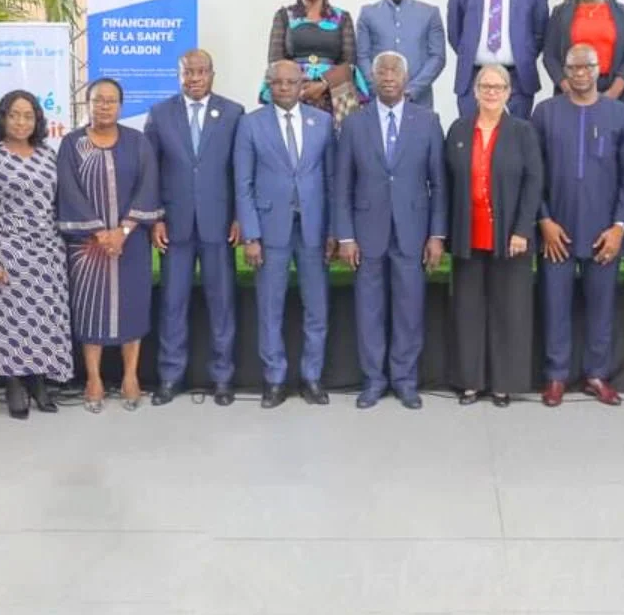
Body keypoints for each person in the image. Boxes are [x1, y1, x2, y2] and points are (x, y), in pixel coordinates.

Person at [334, 51, 447, 410]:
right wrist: (346, 236)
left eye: (395, 70)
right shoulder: (354, 123)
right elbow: (342, 186)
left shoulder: (428, 121)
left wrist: (437, 235)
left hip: (413, 230)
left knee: (409, 308)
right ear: (372, 77)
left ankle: (405, 380)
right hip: (367, 233)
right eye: (381, 71)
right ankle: (373, 380)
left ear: (406, 77)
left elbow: (439, 184)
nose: (387, 76)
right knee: (369, 310)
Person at [531, 44, 624, 408]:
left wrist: (619, 227)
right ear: (564, 70)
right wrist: (543, 220)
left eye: (587, 66)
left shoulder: (620, 116)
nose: (580, 73)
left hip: (603, 232)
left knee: (601, 306)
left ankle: (597, 375)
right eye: (573, 66)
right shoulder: (544, 113)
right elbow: (535, 175)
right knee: (554, 305)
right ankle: (556, 376)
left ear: (599, 69)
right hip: (555, 232)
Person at [143, 49, 245, 407]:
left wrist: (240, 217)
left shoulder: (233, 114)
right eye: (188, 72)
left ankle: (223, 378)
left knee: (222, 304)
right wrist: (154, 217)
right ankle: (170, 376)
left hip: (220, 226)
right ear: (179, 75)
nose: (195, 78)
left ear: (213, 75)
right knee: (173, 304)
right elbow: (150, 171)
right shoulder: (160, 114)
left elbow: (240, 172)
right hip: (175, 225)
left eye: (202, 71)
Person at [235, 60, 337, 409]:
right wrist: (251, 235)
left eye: (290, 82)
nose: (283, 88)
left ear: (302, 84)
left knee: (317, 308)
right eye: (276, 82)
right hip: (269, 229)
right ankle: (275, 379)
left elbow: (332, 181)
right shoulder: (250, 124)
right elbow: (242, 184)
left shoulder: (322, 122)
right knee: (270, 307)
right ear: (268, 84)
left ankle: (311, 377)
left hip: (313, 228)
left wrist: (334, 232)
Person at [56, 79, 162, 413]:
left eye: (111, 100)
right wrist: (100, 231)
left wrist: (125, 229)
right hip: (88, 246)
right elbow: (68, 190)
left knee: (132, 305)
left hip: (130, 244)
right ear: (87, 104)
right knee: (91, 309)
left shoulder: (138, 142)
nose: (104, 106)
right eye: (97, 100)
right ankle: (93, 378)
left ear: (121, 105)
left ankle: (131, 376)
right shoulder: (72, 144)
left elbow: (149, 186)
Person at [0, 91, 72, 420]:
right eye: (14, 115)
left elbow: (58, 203)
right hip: (7, 250)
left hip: (46, 252)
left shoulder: (47, 155)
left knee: (44, 320)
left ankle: (40, 382)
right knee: (9, 323)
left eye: (28, 116)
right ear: (3, 117)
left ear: (37, 121)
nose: (21, 121)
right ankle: (13, 383)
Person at [445, 64, 543, 406]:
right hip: (467, 235)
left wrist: (522, 230)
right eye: (485, 86)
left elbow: (534, 183)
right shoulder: (458, 129)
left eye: (498, 86)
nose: (491, 92)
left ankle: (503, 384)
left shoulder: (523, 131)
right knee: (468, 310)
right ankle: (470, 382)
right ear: (474, 91)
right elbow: (446, 183)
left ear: (508, 93)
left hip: (509, 237)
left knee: (508, 310)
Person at [265, 0, 368, 123]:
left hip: (335, 88)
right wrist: (299, 84)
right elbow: (275, 59)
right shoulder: (284, 16)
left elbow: (349, 62)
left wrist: (322, 84)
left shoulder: (342, 17)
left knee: (347, 131)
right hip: (293, 85)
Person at [355, 0, 446, 107]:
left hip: (418, 100)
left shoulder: (430, 14)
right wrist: (378, 88)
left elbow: (437, 57)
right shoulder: (368, 13)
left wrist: (413, 89)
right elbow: (361, 56)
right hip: (377, 101)